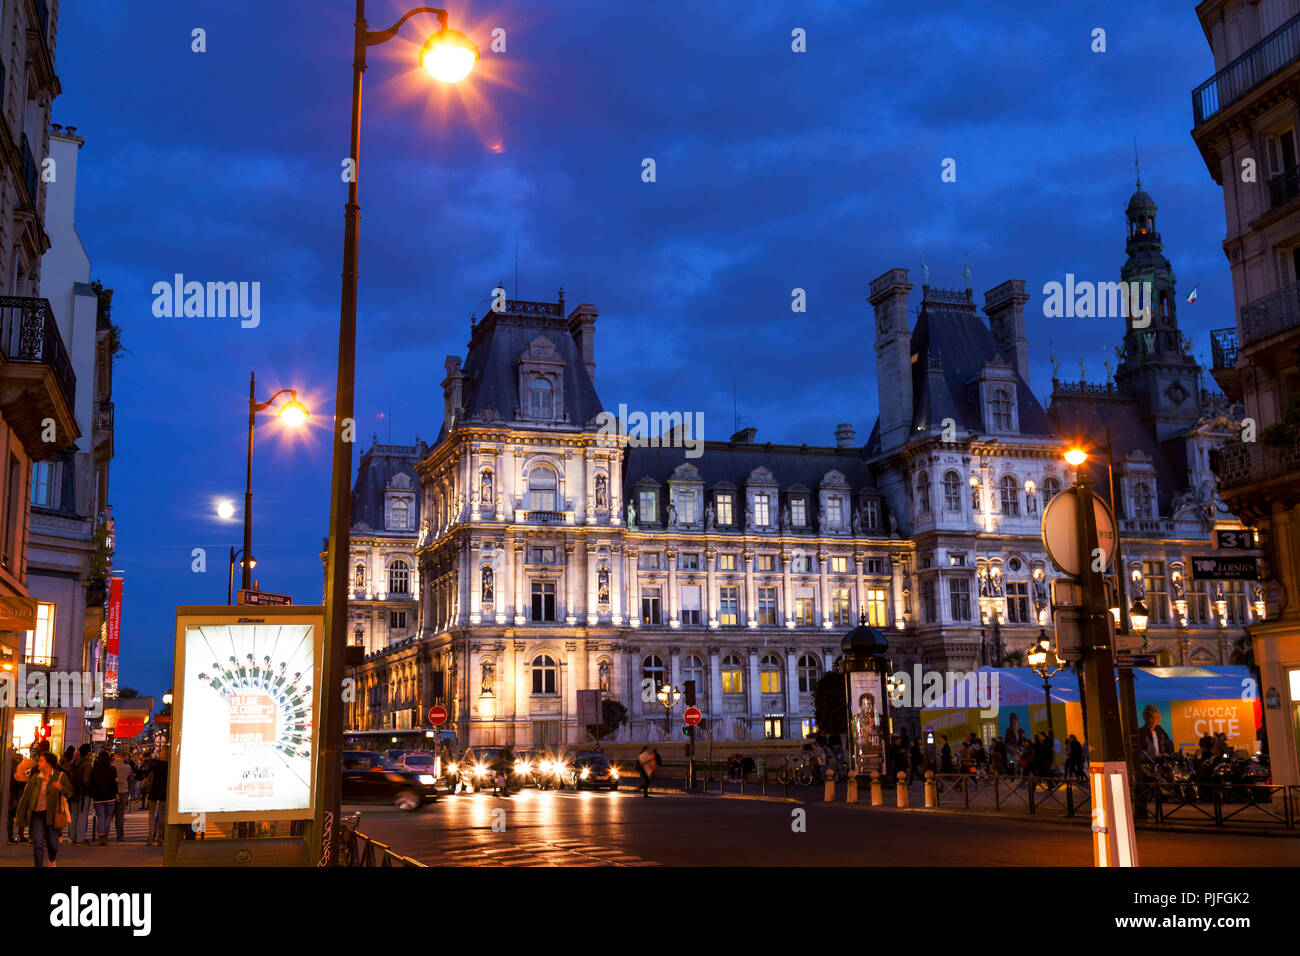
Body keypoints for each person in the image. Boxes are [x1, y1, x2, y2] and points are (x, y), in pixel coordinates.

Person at [16, 751, 71, 867]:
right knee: (38, 843)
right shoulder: (35, 778)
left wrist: (61, 787)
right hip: (37, 815)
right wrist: (20, 816)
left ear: (48, 763)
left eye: (41, 760)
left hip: (52, 815)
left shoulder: (60, 776)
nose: (39, 763)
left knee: (53, 844)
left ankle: (52, 858)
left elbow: (70, 792)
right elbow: (26, 797)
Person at [89, 751, 117, 847]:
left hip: (98, 797)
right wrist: (116, 793)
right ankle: (105, 836)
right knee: (108, 818)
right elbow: (114, 783)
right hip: (110, 796)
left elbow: (92, 783)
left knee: (101, 817)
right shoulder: (112, 769)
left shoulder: (95, 770)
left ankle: (101, 836)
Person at [67, 744, 93, 846]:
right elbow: (86, 780)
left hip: (74, 792)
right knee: (82, 816)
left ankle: (73, 837)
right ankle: (80, 839)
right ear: (88, 753)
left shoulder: (75, 763)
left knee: (74, 815)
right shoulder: (86, 764)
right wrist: (90, 789)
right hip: (83, 793)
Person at [145, 751, 168, 846]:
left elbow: (148, 776)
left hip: (153, 791)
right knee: (162, 815)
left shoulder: (154, 764)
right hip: (163, 792)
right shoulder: (168, 765)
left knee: (151, 814)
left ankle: (150, 836)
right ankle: (160, 836)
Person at [111, 750, 131, 841]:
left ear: (115, 756)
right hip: (123, 791)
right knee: (120, 815)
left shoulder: (111, 766)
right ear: (123, 757)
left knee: (109, 815)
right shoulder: (127, 767)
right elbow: (129, 777)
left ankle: (104, 834)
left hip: (112, 792)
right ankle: (120, 835)